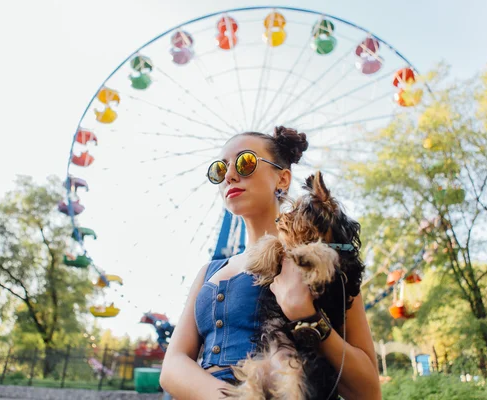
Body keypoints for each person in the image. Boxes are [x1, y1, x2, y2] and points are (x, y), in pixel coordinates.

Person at [160, 127, 381, 399]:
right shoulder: (208, 272)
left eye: (246, 162)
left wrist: (308, 318)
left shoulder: (319, 259)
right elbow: (171, 367)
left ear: (283, 178)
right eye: (220, 170)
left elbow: (368, 391)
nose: (229, 175)